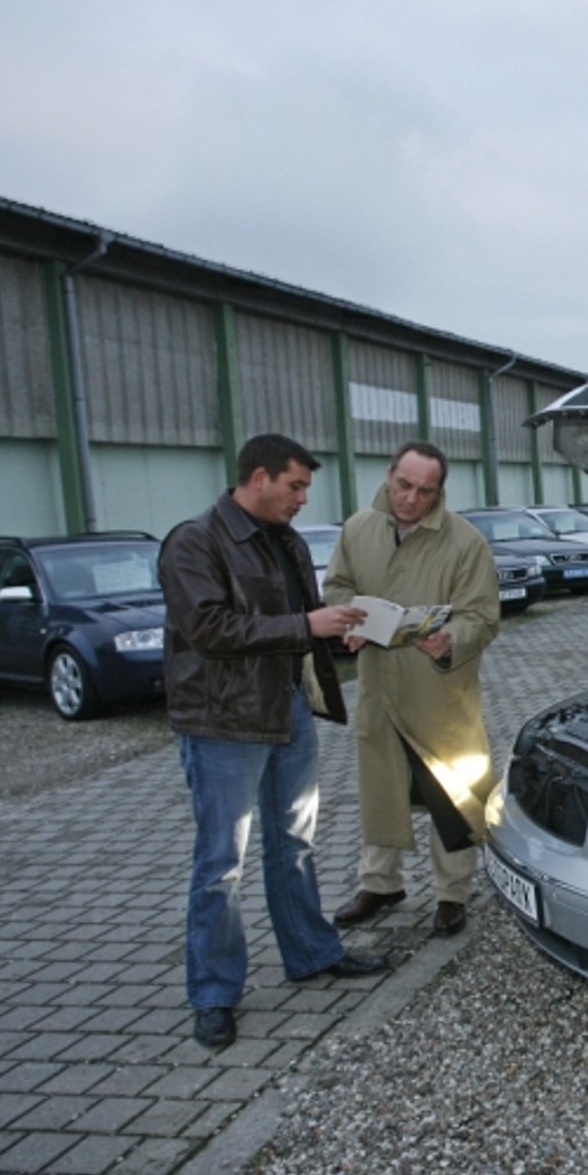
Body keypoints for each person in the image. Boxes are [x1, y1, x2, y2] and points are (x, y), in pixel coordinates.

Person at [160, 434, 388, 1050]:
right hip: (223, 722)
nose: (302, 499)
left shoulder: (284, 540)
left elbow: (295, 621)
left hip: (288, 709)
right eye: (295, 486)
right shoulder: (194, 541)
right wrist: (303, 625)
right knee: (220, 863)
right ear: (258, 477)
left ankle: (312, 954)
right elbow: (207, 627)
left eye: (306, 489)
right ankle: (213, 993)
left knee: (294, 843)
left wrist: (337, 634)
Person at [324, 441, 502, 939]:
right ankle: (380, 883)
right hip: (379, 692)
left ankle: (452, 894)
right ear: (388, 476)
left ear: (439, 491)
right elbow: (336, 587)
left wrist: (453, 639)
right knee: (381, 791)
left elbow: (483, 617)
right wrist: (348, 619)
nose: (410, 499)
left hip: (439, 696)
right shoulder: (358, 530)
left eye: (425, 491)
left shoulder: (465, 543)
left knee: (453, 795)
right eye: (404, 485)